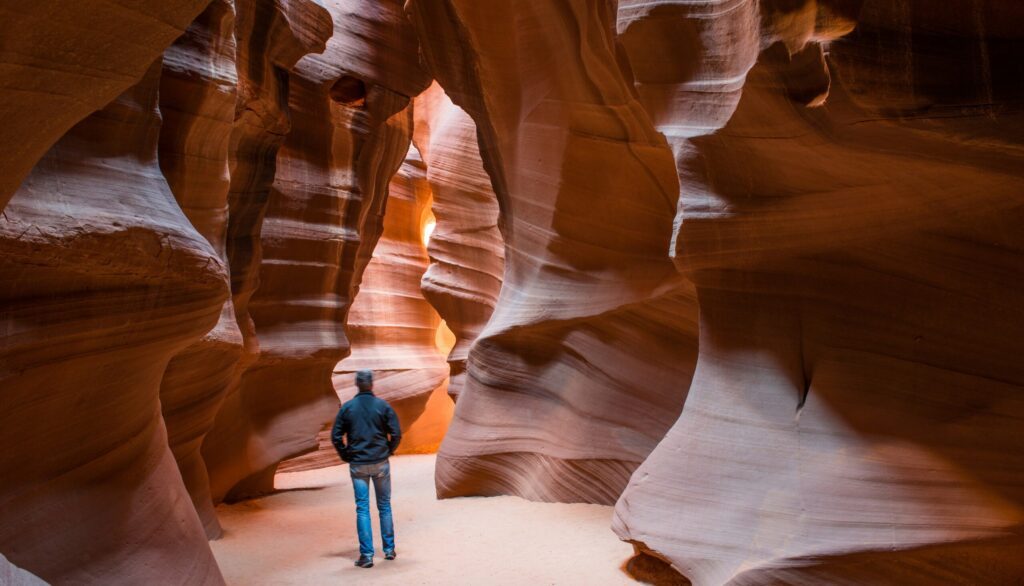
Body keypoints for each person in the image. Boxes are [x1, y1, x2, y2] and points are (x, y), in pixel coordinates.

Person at [331, 369, 402, 568]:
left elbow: (336, 437)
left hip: (358, 465)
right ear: (371, 384)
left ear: (357, 384)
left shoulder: (348, 408)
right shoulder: (383, 406)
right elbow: (396, 433)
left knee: (362, 509)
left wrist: (346, 455)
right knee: (385, 506)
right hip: (380, 462)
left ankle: (367, 555)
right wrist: (388, 450)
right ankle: (389, 550)